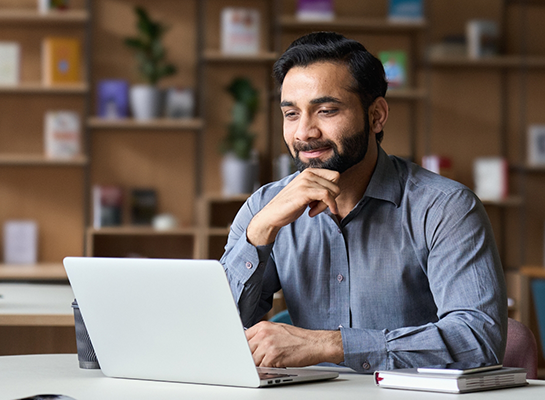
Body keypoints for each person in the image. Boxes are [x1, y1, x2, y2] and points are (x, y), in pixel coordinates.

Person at [220, 32, 507, 373]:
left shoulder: (446, 208)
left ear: (376, 116)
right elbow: (213, 333)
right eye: (292, 114)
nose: (304, 133)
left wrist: (332, 345)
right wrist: (260, 233)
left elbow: (478, 340)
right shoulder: (264, 207)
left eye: (325, 110)